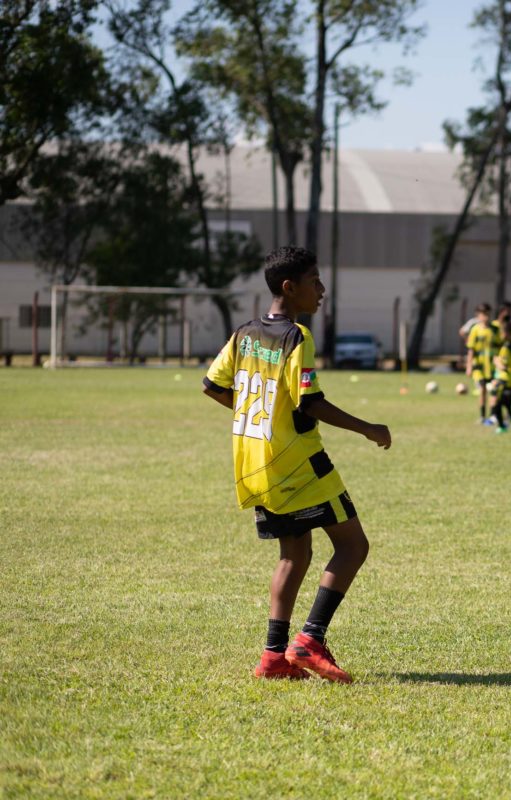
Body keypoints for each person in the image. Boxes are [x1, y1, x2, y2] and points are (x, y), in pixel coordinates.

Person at [202, 246, 392, 683]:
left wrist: (257, 412)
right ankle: (310, 640)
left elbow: (213, 385)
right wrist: (368, 428)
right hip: (299, 461)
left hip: (254, 462)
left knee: (295, 553)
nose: (322, 290)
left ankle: (273, 658)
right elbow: (311, 402)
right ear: (290, 287)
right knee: (352, 545)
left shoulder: (245, 334)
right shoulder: (296, 337)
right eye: (314, 281)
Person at [465, 303, 494, 422]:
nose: (486, 317)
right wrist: (469, 366)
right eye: (483, 314)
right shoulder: (475, 330)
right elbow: (471, 349)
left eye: (487, 314)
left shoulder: (494, 330)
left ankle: (493, 415)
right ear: (478, 315)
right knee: (482, 390)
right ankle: (482, 416)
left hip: (492, 366)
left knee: (493, 391)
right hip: (479, 366)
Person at [490, 321, 511, 432]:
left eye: (502, 332)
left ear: (507, 333)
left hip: (503, 378)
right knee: (506, 401)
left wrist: (495, 360)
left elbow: (503, 366)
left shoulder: (506, 348)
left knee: (497, 402)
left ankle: (502, 426)